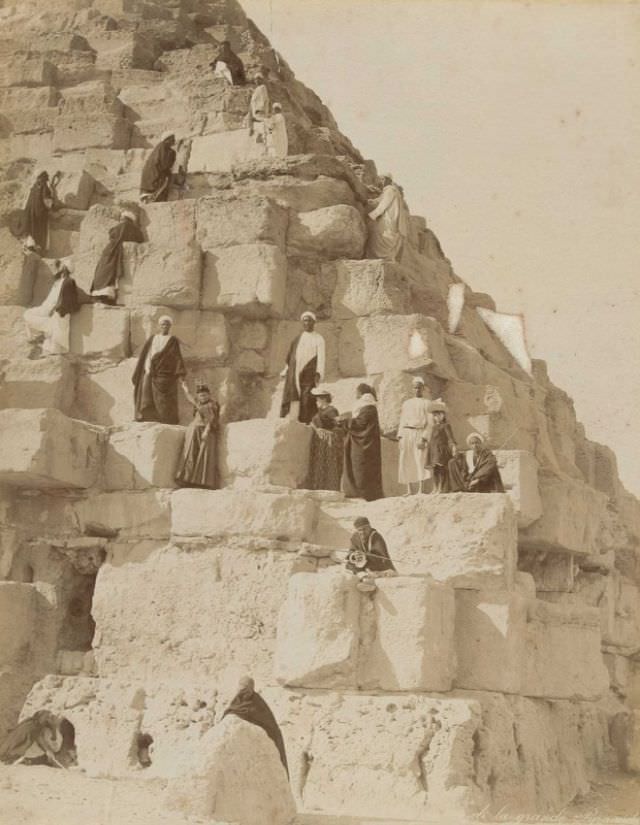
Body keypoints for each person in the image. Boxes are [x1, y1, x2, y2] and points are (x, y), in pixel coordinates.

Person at [223, 676, 288, 777]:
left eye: (247, 690)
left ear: (252, 689)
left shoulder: (258, 704)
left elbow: (267, 725)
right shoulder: (238, 700)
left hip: (267, 745)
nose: (244, 693)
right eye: (242, 689)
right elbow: (233, 711)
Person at [132, 315, 187, 424]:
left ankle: (166, 419)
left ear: (170, 326)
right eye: (162, 324)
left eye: (167, 324)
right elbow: (147, 354)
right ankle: (147, 416)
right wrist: (147, 368)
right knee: (146, 393)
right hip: (151, 370)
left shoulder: (173, 340)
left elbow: (177, 357)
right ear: (159, 326)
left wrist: (181, 373)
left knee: (164, 399)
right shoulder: (153, 338)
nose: (164, 326)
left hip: (166, 374)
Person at [23, 260, 80, 355]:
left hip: (60, 311)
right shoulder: (59, 281)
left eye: (61, 266)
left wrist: (56, 309)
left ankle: (50, 349)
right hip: (51, 310)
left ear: (64, 268)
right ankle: (36, 338)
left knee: (56, 336)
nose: (59, 267)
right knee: (28, 315)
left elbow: (68, 299)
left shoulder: (69, 281)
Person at [280, 311, 326, 424]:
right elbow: (290, 357)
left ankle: (306, 422)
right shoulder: (297, 338)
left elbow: (321, 358)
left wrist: (318, 373)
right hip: (295, 373)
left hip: (309, 373)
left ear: (314, 322)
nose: (307, 323)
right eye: (304, 321)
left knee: (306, 398)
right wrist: (286, 370)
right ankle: (293, 421)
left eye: (309, 320)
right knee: (294, 396)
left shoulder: (319, 338)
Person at [90, 209, 144, 305]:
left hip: (111, 250)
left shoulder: (122, 226)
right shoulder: (136, 229)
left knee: (104, 271)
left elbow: (112, 232)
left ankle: (102, 295)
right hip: (115, 250)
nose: (120, 219)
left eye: (121, 218)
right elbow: (140, 238)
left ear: (124, 218)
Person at [342, 383, 383, 501]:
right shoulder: (367, 406)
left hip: (363, 445)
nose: (355, 394)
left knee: (361, 468)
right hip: (366, 444)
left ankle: (363, 493)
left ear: (361, 392)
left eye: (356, 391)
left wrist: (346, 421)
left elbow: (360, 424)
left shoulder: (367, 406)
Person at [175, 382, 220, 489]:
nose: (203, 397)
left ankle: (203, 482)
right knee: (190, 454)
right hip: (194, 432)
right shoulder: (199, 403)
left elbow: (212, 419)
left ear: (209, 395)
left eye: (204, 395)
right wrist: (185, 388)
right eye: (200, 395)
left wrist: (206, 431)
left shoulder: (212, 405)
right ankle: (187, 479)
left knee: (204, 456)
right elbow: (190, 398)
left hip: (206, 432)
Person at [0, 711, 76, 768]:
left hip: (30, 741)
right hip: (29, 740)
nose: (53, 718)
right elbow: (40, 739)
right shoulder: (38, 727)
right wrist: (47, 750)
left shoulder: (47, 729)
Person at [305, 387, 343, 491]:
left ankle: (329, 487)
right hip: (319, 439)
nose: (316, 401)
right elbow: (313, 423)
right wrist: (317, 429)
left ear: (324, 399)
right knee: (319, 462)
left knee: (328, 461)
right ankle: (319, 486)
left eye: (318, 398)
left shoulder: (331, 410)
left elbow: (338, 423)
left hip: (327, 439)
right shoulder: (320, 411)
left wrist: (329, 433)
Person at [397, 377, 431, 495]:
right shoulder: (406, 403)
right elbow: (402, 420)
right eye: (415, 387)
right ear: (412, 389)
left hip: (419, 433)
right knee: (406, 459)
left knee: (420, 459)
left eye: (419, 388)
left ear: (423, 389)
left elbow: (430, 422)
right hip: (407, 433)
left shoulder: (427, 403)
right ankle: (409, 490)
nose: (417, 390)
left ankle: (421, 489)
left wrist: (424, 438)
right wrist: (400, 436)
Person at [366, 174, 410, 261]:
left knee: (382, 234)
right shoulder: (389, 191)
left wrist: (372, 215)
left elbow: (383, 205)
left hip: (390, 218)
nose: (381, 182)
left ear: (388, 180)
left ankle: (381, 256)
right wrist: (371, 201)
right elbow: (380, 200)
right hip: (390, 218)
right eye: (381, 180)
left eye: (383, 179)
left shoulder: (390, 190)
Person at [20, 170, 59, 254]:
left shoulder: (35, 186)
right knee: (41, 231)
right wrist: (53, 206)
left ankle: (31, 247)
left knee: (32, 230)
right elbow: (46, 200)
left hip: (30, 212)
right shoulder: (44, 186)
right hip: (40, 213)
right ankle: (39, 250)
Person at [425, 399, 457, 494]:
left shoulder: (446, 425)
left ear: (442, 415)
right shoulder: (434, 427)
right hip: (433, 450)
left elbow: (450, 437)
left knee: (441, 469)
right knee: (435, 469)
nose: (436, 417)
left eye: (438, 415)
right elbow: (432, 439)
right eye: (435, 416)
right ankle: (435, 487)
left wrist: (453, 446)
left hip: (442, 450)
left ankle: (441, 488)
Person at [140, 132, 177, 203]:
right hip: (154, 177)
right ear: (167, 140)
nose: (174, 140)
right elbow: (165, 165)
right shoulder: (164, 148)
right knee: (168, 179)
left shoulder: (160, 147)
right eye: (172, 139)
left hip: (149, 177)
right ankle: (155, 198)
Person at [246, 71, 271, 141]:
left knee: (261, 124)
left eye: (258, 79)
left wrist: (260, 108)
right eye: (255, 79)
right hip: (254, 109)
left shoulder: (263, 87)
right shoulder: (258, 88)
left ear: (261, 80)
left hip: (259, 110)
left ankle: (261, 136)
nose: (256, 81)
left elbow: (263, 98)